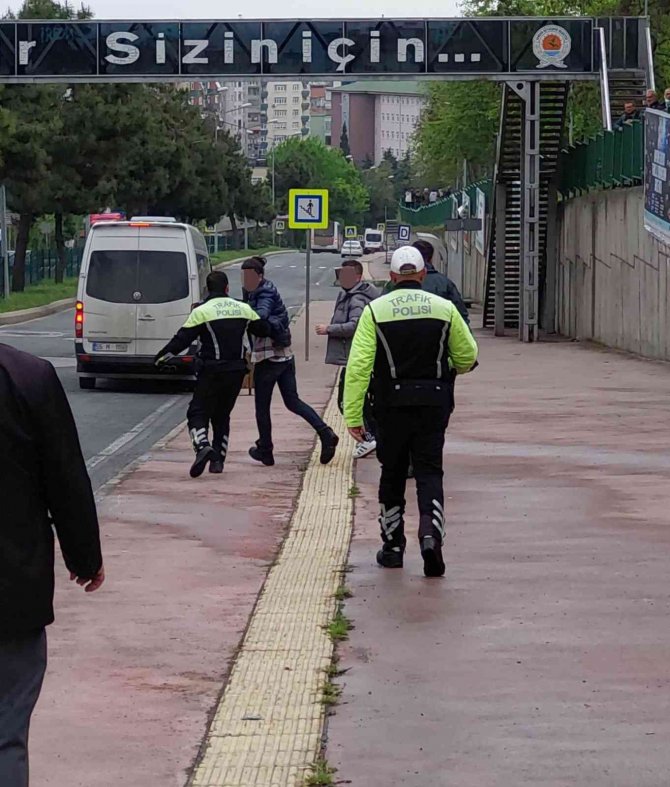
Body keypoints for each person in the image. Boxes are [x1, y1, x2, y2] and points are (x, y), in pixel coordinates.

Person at [1, 344, 104, 786]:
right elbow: (65, 478)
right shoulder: (28, 376)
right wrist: (84, 557)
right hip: (12, 588)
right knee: (6, 732)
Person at [344, 246, 478, 578]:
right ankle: (431, 537)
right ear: (421, 274)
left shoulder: (375, 311)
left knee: (392, 472)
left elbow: (358, 367)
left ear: (391, 277)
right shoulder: (444, 308)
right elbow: (467, 356)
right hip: (433, 404)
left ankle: (392, 548)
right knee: (430, 472)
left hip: (390, 405)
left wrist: (353, 416)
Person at [155, 270, 269, 478]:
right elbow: (263, 328)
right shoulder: (243, 309)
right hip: (236, 372)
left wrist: (161, 356)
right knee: (222, 415)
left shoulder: (202, 311)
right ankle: (218, 461)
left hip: (211, 371)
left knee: (197, 412)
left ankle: (202, 446)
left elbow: (182, 339)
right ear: (227, 288)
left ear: (208, 289)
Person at [241, 257, 339, 467]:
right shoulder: (256, 290)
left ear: (260, 276)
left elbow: (261, 315)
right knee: (292, 401)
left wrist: (240, 313)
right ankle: (326, 433)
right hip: (284, 354)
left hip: (269, 356)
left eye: (249, 277)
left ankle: (265, 449)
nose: (246, 281)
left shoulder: (264, 291)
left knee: (262, 406)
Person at [315, 259, 380, 459]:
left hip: (356, 357)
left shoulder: (357, 299)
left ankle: (369, 438)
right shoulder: (347, 294)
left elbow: (356, 325)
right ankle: (373, 437)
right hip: (355, 357)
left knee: (348, 401)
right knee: (362, 401)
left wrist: (329, 329)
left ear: (358, 277)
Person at [381, 240, 470, 325]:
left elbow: (381, 312)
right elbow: (461, 315)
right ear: (431, 258)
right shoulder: (445, 283)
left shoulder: (394, 283)